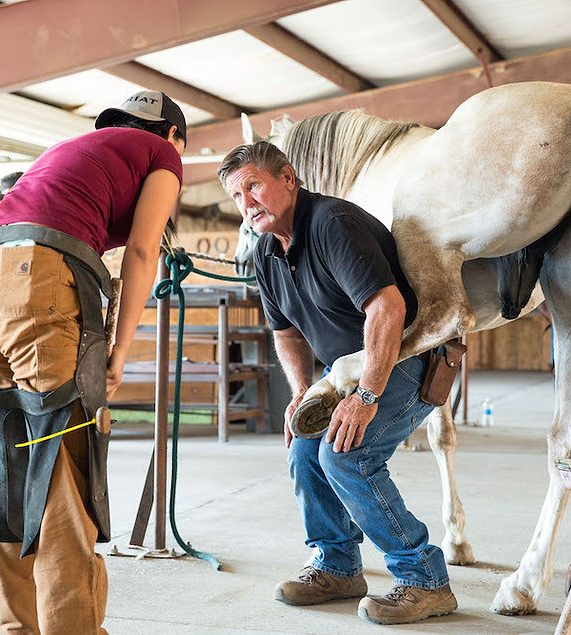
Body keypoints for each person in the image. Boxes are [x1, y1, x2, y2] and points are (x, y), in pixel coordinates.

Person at [0, 90, 186, 634]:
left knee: (4, 459)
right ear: (172, 135)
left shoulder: (75, 149)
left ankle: (17, 625)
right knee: (61, 458)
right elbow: (142, 252)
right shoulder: (163, 156)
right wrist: (120, 348)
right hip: (36, 275)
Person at [218, 142, 456, 626]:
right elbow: (285, 333)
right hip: (342, 370)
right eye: (237, 196)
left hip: (407, 357)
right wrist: (301, 392)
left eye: (253, 185)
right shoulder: (266, 252)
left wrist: (366, 397)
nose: (247, 203)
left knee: (346, 455)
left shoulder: (332, 224)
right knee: (306, 449)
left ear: (288, 178)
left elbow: (388, 309)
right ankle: (338, 564)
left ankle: (425, 579)